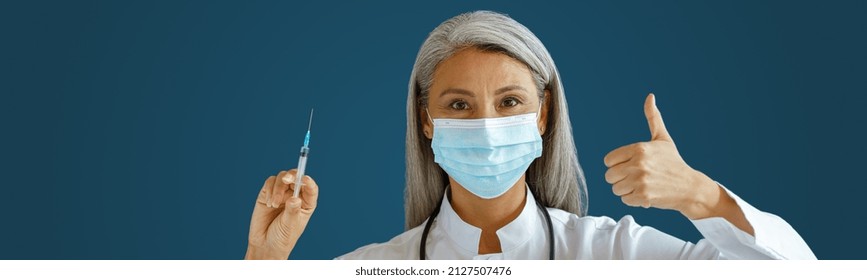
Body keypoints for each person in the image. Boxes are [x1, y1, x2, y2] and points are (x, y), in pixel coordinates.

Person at [244, 11, 815, 260]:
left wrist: (700, 195)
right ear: (426, 120)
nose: (487, 128)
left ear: (543, 115)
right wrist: (262, 261)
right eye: (459, 105)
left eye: (510, 102)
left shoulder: (614, 253)